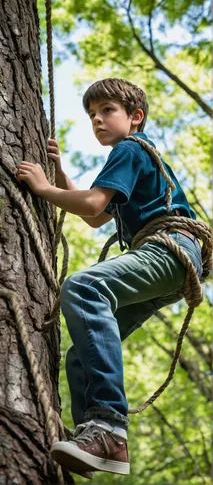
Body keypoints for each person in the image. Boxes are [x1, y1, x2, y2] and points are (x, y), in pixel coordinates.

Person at [17, 78, 203, 478]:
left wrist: (43, 187)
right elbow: (96, 217)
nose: (97, 120)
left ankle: (108, 426)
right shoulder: (135, 154)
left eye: (107, 110)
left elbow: (94, 202)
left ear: (135, 117)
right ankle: (98, 439)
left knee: (85, 287)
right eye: (91, 115)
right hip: (171, 261)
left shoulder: (130, 148)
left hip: (168, 247)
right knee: (80, 356)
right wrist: (62, 176)